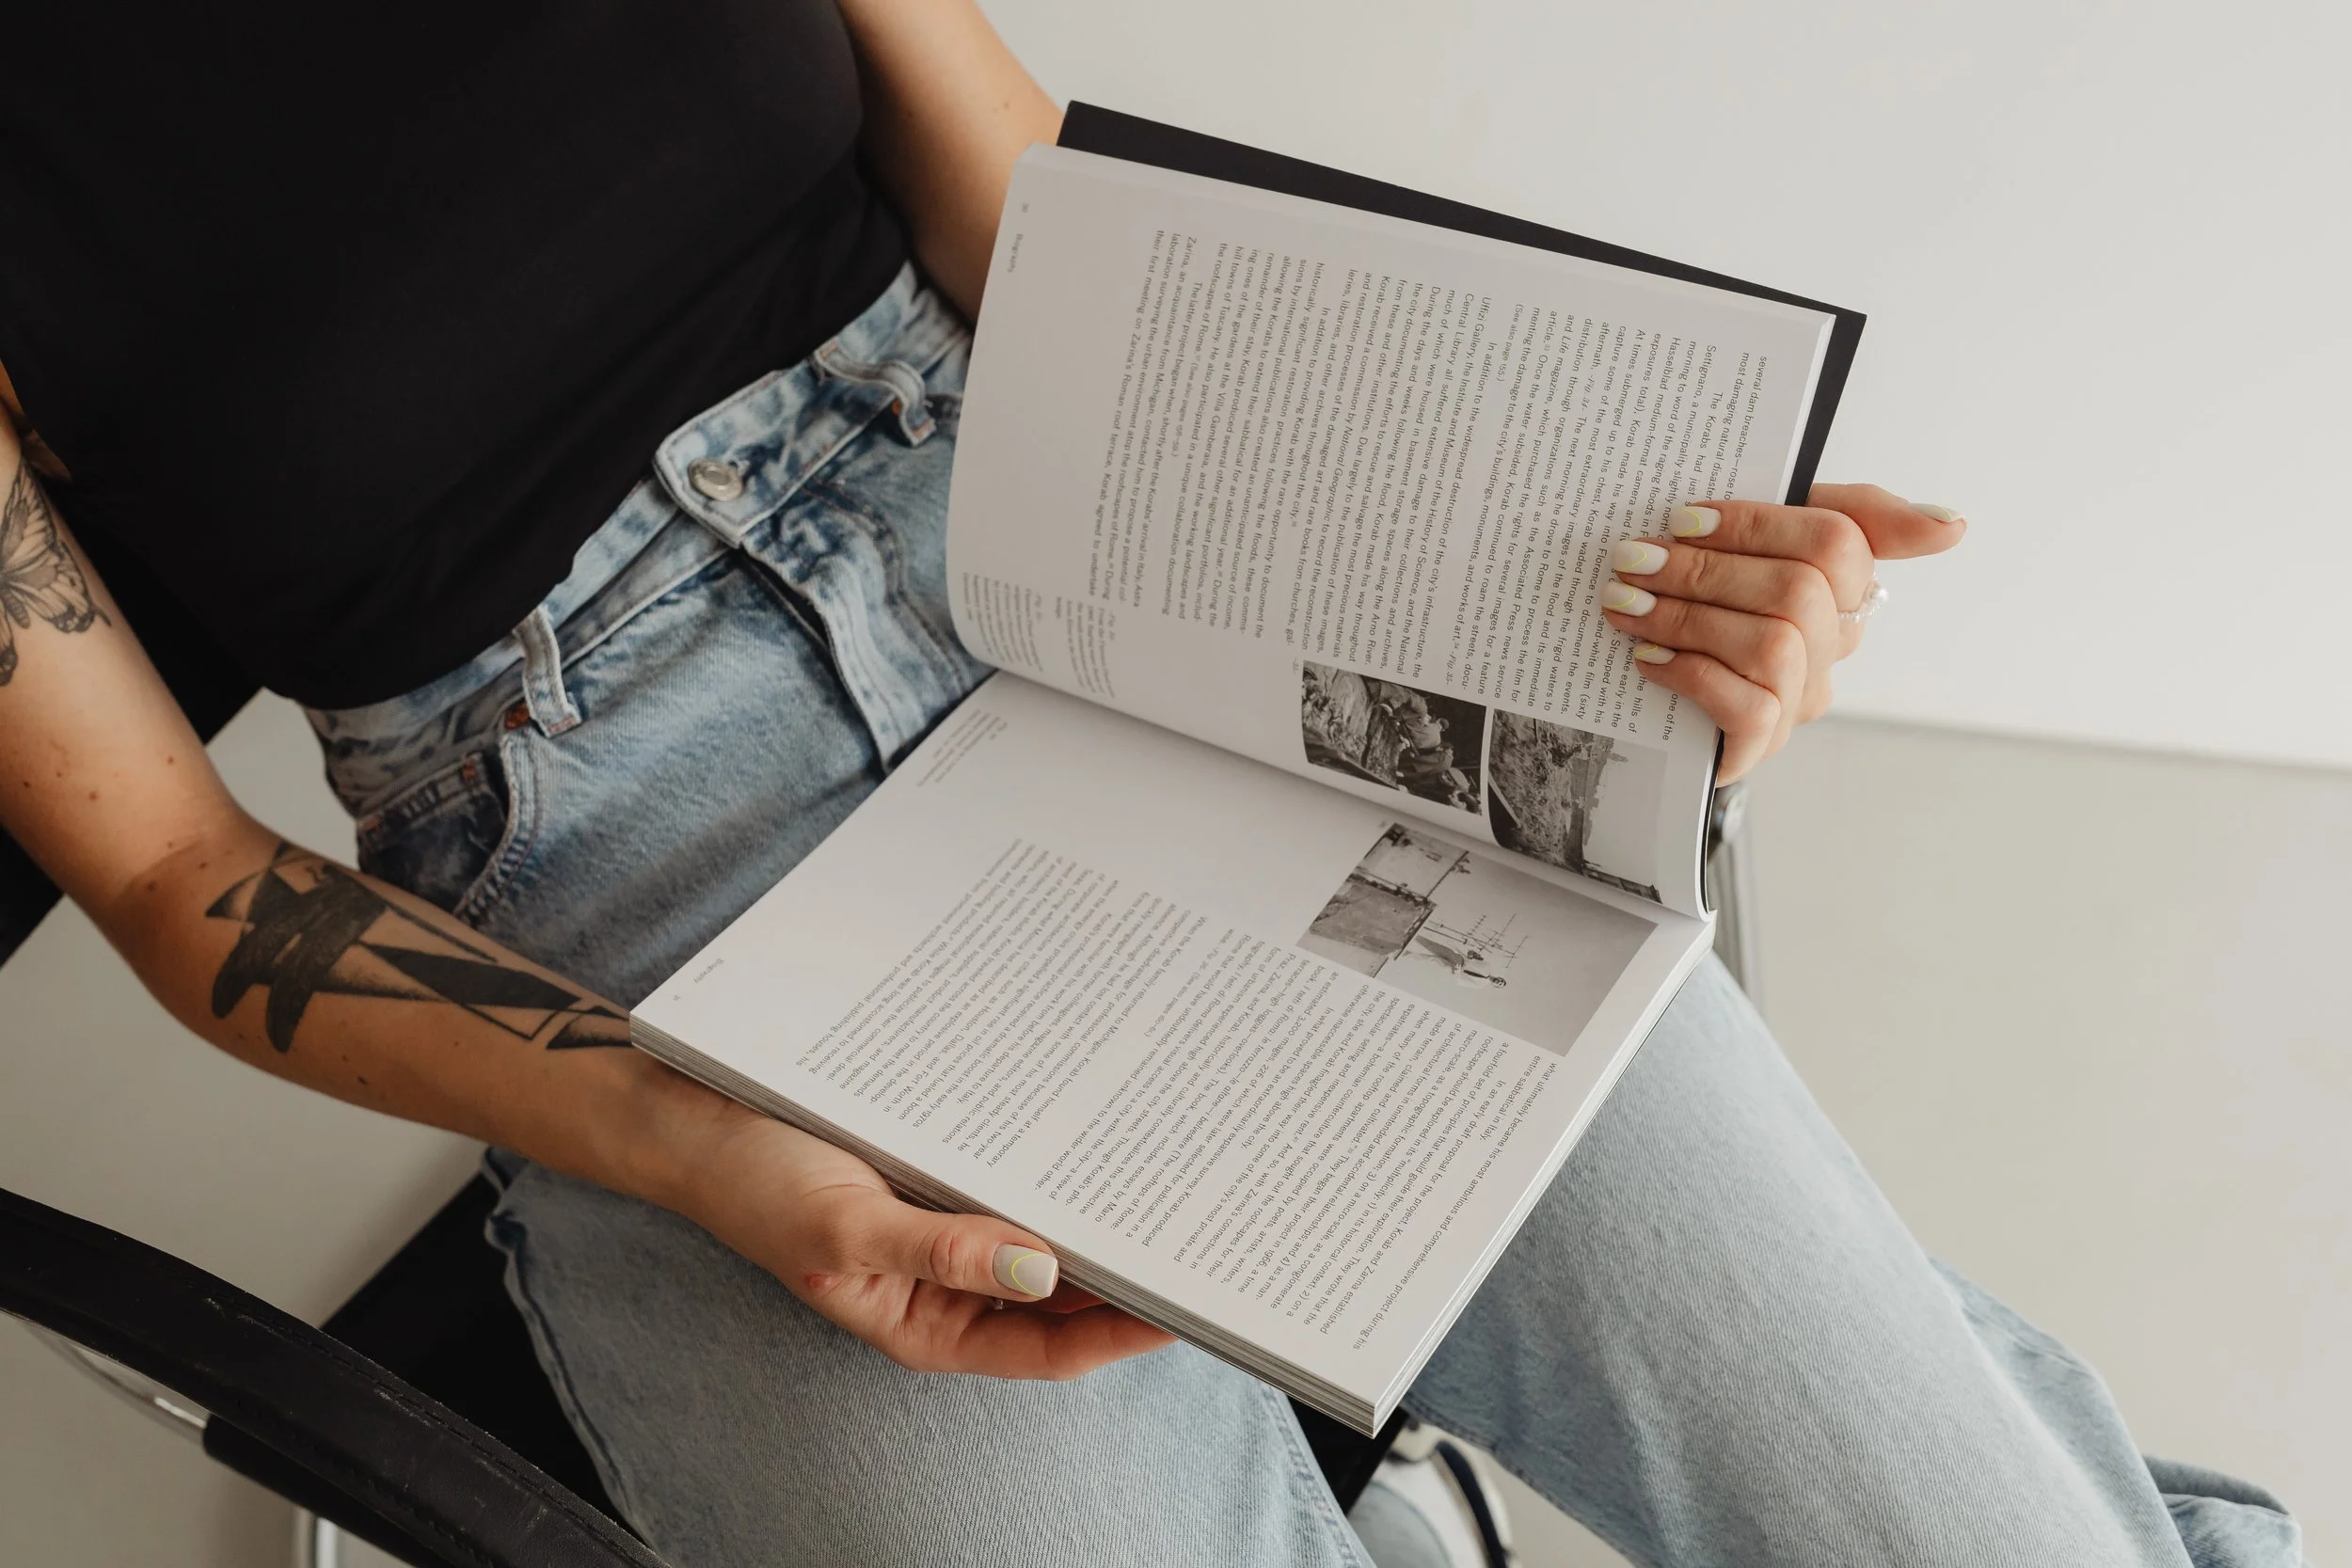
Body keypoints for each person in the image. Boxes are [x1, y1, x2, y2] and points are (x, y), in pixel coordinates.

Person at [0, 5, 2303, 1565]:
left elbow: (1030, 226)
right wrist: (708, 1150)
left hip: (1111, 620)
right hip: (625, 890)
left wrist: (1594, 619)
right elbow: (179, 875)